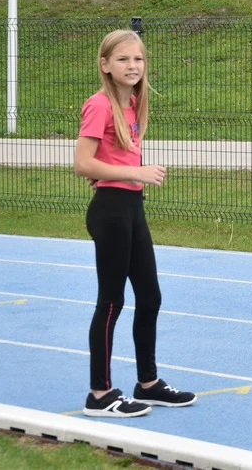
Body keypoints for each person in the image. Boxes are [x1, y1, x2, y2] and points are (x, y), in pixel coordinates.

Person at [74, 30, 197, 417]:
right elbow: (82, 164)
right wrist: (136, 172)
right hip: (110, 210)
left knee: (150, 297)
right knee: (111, 302)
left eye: (138, 60)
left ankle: (148, 384)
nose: (132, 66)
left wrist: (135, 178)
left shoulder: (133, 105)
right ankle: (99, 393)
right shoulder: (99, 105)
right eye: (123, 60)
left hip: (132, 207)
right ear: (105, 65)